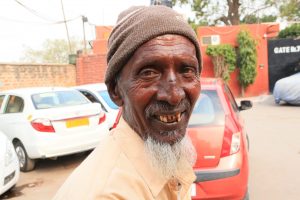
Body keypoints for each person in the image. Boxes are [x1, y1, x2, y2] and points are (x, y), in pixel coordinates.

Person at [53, 5, 201, 200]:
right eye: (149, 73)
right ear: (116, 91)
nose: (174, 95)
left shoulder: (159, 157)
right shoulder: (109, 194)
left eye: (187, 71)